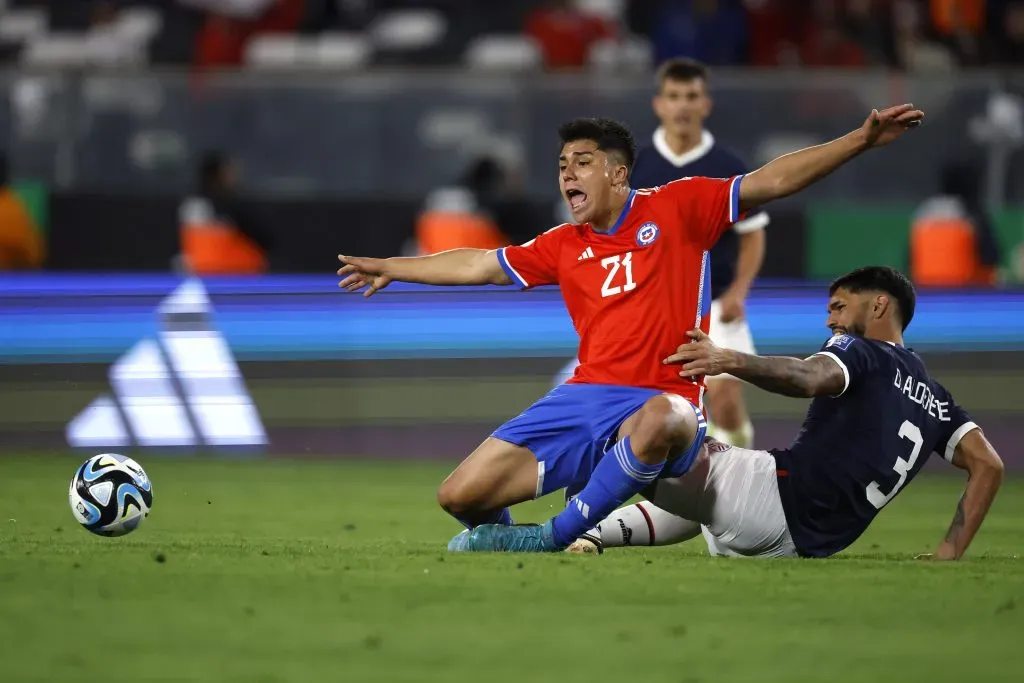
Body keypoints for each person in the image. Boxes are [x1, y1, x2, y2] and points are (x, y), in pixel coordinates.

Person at [338, 105, 924, 554]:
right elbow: (480, 264)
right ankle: (508, 550)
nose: (568, 172)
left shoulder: (678, 208)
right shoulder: (563, 245)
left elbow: (773, 180)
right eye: (562, 164)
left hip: (661, 403)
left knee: (667, 415)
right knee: (458, 496)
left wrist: (860, 140)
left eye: (582, 162)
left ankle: (549, 538)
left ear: (618, 174)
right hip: (583, 398)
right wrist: (393, 268)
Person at [571, 267, 1003, 560]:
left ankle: (561, 519)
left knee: (629, 423)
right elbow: (989, 465)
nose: (830, 320)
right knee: (710, 491)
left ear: (878, 306)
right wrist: (949, 554)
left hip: (774, 501)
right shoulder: (936, 396)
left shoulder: (862, 351)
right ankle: (592, 535)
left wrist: (728, 359)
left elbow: (807, 376)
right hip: (803, 545)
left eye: (838, 306)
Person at [553, 58, 767, 449]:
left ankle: (739, 479)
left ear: (706, 104)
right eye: (673, 96)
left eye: (691, 96)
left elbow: (752, 235)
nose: (682, 105)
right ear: (659, 104)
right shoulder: (636, 165)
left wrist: (739, 291)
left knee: (727, 400)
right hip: (647, 305)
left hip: (715, 301)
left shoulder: (727, 165)